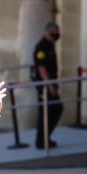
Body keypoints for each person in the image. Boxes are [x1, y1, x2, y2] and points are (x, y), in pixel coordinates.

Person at [32, 21, 64, 149]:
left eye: (57, 32)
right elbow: (41, 68)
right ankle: (41, 141)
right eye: (54, 32)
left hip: (50, 84)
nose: (56, 35)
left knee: (54, 109)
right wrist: (49, 85)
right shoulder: (42, 47)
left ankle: (45, 138)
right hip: (45, 86)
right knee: (48, 111)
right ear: (47, 32)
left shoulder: (50, 45)